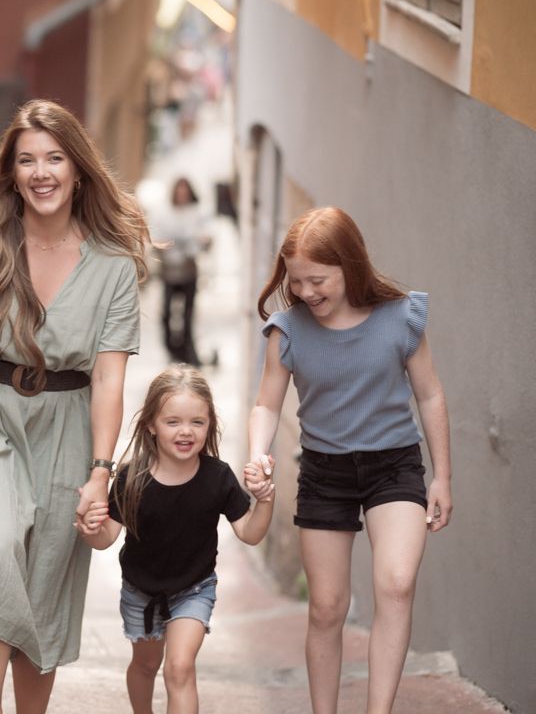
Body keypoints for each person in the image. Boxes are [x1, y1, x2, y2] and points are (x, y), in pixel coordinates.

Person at [0, 99, 150, 714]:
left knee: (45, 584)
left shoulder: (113, 265)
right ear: (10, 173)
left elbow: (109, 378)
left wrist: (101, 472)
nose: (41, 172)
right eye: (26, 160)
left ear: (77, 169)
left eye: (54, 158)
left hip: (68, 424)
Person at [247, 206, 453, 714]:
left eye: (317, 280)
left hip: (394, 466)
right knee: (326, 607)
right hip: (325, 472)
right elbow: (267, 404)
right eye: (296, 281)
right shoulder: (287, 331)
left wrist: (442, 477)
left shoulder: (402, 317)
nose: (306, 292)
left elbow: (430, 395)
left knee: (397, 585)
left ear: (350, 264)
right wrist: (257, 454)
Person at [79, 365, 274, 713]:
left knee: (180, 668)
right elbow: (106, 537)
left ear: (209, 424)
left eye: (197, 422)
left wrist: (265, 501)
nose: (186, 431)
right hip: (141, 592)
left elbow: (250, 532)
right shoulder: (131, 478)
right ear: (151, 425)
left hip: (194, 590)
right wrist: (90, 529)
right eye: (173, 422)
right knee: (145, 665)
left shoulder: (218, 477)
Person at [153, 177, 212, 365]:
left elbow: (207, 237)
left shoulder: (197, 212)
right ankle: (172, 348)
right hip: (169, 271)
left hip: (188, 270)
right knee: (167, 313)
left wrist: (201, 241)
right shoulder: (164, 213)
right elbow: (156, 238)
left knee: (188, 314)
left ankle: (188, 350)